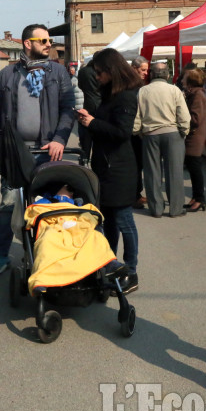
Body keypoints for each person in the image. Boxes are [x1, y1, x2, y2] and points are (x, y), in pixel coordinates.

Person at [0, 24, 75, 276]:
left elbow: (68, 108)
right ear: (28, 43)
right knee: (8, 203)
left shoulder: (58, 73)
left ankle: (46, 252)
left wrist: (60, 138)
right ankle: (1, 254)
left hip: (48, 151)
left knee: (45, 204)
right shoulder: (7, 75)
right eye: (44, 40)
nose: (49, 44)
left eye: (50, 40)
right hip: (15, 153)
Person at [76, 48, 142, 295]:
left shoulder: (125, 96)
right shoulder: (110, 94)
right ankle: (110, 264)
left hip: (120, 169)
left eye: (100, 73)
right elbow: (107, 127)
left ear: (111, 71)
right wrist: (89, 119)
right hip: (106, 165)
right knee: (109, 220)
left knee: (124, 220)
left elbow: (121, 132)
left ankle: (131, 269)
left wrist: (92, 122)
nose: (97, 77)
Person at [132, 62, 190, 218]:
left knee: (152, 173)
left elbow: (137, 115)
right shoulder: (174, 90)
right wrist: (184, 131)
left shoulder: (142, 91)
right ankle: (176, 209)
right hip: (172, 134)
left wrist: (138, 131)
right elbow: (183, 114)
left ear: (151, 74)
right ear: (167, 74)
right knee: (175, 172)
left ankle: (156, 209)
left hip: (150, 134)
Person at [182, 67, 206, 212]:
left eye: (185, 77)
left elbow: (195, 119)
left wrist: (181, 118)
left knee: (195, 168)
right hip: (193, 136)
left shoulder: (197, 95)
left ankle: (199, 198)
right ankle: (196, 197)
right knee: (193, 169)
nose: (182, 80)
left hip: (194, 137)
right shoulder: (194, 94)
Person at [129, 56, 149, 209]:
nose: (146, 73)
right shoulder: (131, 84)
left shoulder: (138, 83)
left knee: (138, 163)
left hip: (137, 128)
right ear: (135, 68)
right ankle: (134, 195)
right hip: (132, 129)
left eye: (147, 70)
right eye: (143, 70)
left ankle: (136, 193)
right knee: (135, 163)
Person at [76, 58, 100, 161]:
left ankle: (84, 158)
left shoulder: (82, 71)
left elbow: (80, 86)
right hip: (99, 104)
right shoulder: (99, 72)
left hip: (87, 103)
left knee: (86, 136)